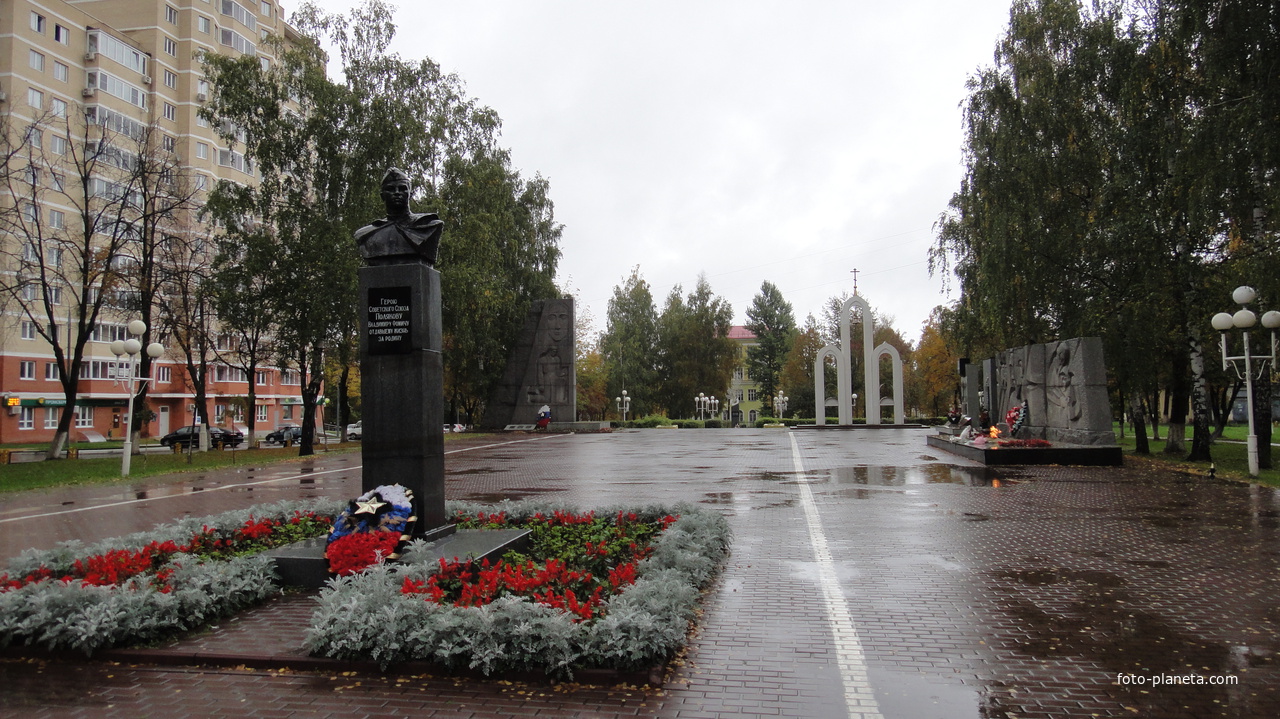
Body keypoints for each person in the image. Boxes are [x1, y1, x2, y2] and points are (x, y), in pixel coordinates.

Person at [354, 168, 444, 266]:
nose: (397, 192)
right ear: (382, 196)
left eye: (402, 188)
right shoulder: (366, 234)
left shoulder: (429, 226)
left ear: (410, 194)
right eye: (390, 189)